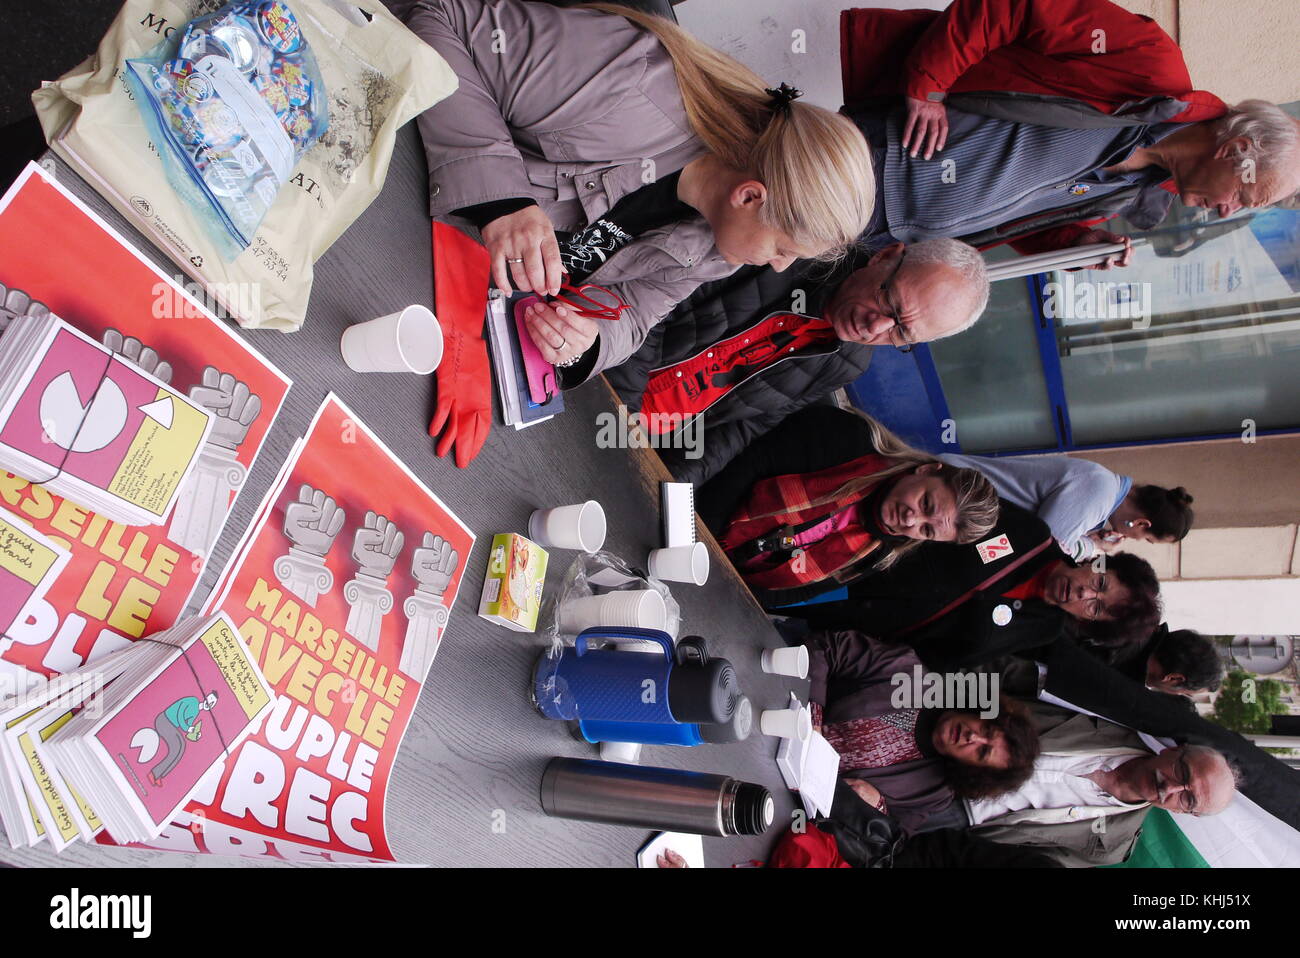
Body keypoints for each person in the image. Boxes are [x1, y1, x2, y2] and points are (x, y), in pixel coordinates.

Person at [405, 0, 875, 381]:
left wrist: (588, 344)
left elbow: (634, 313)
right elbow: (435, 17)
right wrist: (503, 201)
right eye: (784, 248)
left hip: (447, 290)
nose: (779, 266)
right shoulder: (629, 79)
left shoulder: (720, 247)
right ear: (750, 197)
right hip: (394, 187)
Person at [840, 0, 1300, 264]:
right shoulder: (1150, 67)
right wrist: (929, 85)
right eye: (1243, 197)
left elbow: (1014, 212)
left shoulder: (1137, 194)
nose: (1226, 212)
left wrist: (1073, 241)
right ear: (1235, 149)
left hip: (881, 243)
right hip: (871, 159)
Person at [607, 236, 991, 483]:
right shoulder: (797, 248)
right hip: (598, 368)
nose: (874, 327)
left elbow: (746, 426)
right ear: (885, 257)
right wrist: (623, 412)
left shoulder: (848, 364)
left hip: (627, 439)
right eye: (889, 301)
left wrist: (669, 484)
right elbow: (653, 299)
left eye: (901, 333)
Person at [696, 404, 999, 610]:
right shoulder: (851, 440)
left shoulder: (876, 553)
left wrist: (725, 597)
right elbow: (746, 465)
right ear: (926, 471)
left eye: (926, 529)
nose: (911, 520)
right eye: (926, 503)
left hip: (711, 579)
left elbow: (799, 590)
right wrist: (697, 539)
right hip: (692, 511)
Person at [803, 628, 1039, 835]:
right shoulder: (911, 675)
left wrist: (877, 806)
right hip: (779, 709)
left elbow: (893, 835)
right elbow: (825, 647)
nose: (973, 737)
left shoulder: (935, 795)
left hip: (793, 793)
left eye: (982, 752)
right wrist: (813, 719)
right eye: (986, 728)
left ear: (974, 770)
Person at [967, 702, 1237, 867]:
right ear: (1172, 752)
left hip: (953, 818)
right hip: (953, 735)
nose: (1172, 788)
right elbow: (1013, 676)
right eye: (1182, 772)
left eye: (1187, 799)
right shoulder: (1111, 714)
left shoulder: (1111, 848)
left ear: (1183, 812)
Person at [936, 452, 1195, 562]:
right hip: (945, 499)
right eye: (1146, 539)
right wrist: (977, 557)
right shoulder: (1097, 495)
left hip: (951, 497)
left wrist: (1089, 540)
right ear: (1141, 523)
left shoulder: (1102, 489)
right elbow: (1034, 551)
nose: (1135, 539)